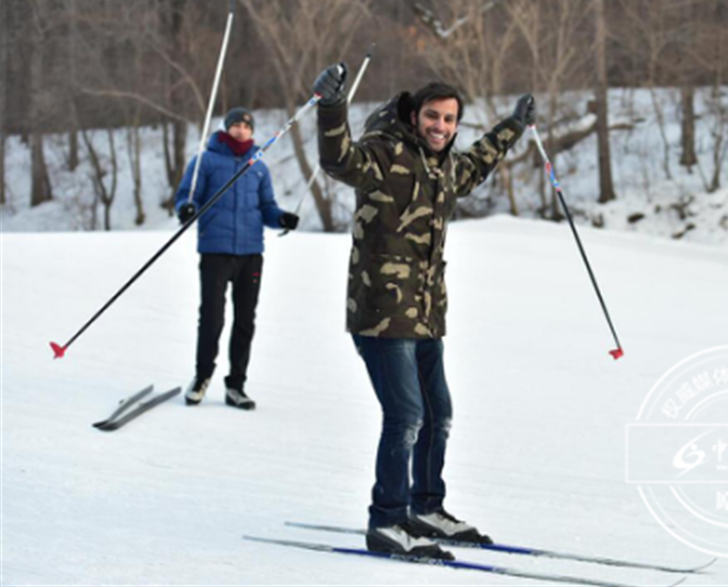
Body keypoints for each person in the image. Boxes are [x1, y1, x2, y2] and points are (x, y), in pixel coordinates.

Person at [313, 64, 536, 559]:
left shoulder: (444, 166)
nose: (441, 126)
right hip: (381, 314)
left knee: (438, 414)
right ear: (414, 117)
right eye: (433, 116)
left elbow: (478, 163)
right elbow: (339, 160)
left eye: (450, 119)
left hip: (427, 314)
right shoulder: (384, 154)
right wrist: (331, 106)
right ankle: (388, 521)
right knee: (406, 415)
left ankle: (426, 507)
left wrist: (513, 126)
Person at [174, 107, 299, 411]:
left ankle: (236, 385)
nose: (241, 130)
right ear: (226, 128)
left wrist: (281, 218)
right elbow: (185, 196)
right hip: (216, 250)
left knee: (245, 320)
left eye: (246, 125)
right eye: (236, 125)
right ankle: (202, 377)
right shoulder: (206, 160)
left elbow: (267, 207)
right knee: (213, 318)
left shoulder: (259, 166)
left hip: (250, 253)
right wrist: (187, 209)